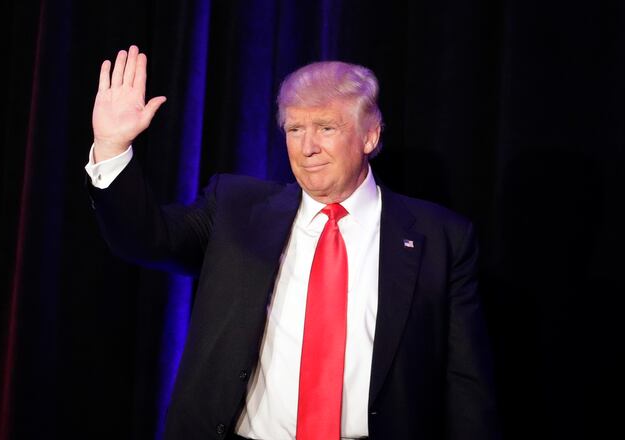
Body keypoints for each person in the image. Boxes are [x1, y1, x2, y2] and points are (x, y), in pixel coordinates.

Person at [85, 45, 499, 440]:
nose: (307, 148)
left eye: (326, 128)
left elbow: (465, 383)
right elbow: (145, 239)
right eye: (295, 129)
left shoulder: (440, 236)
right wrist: (112, 147)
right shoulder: (236, 208)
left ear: (370, 136)